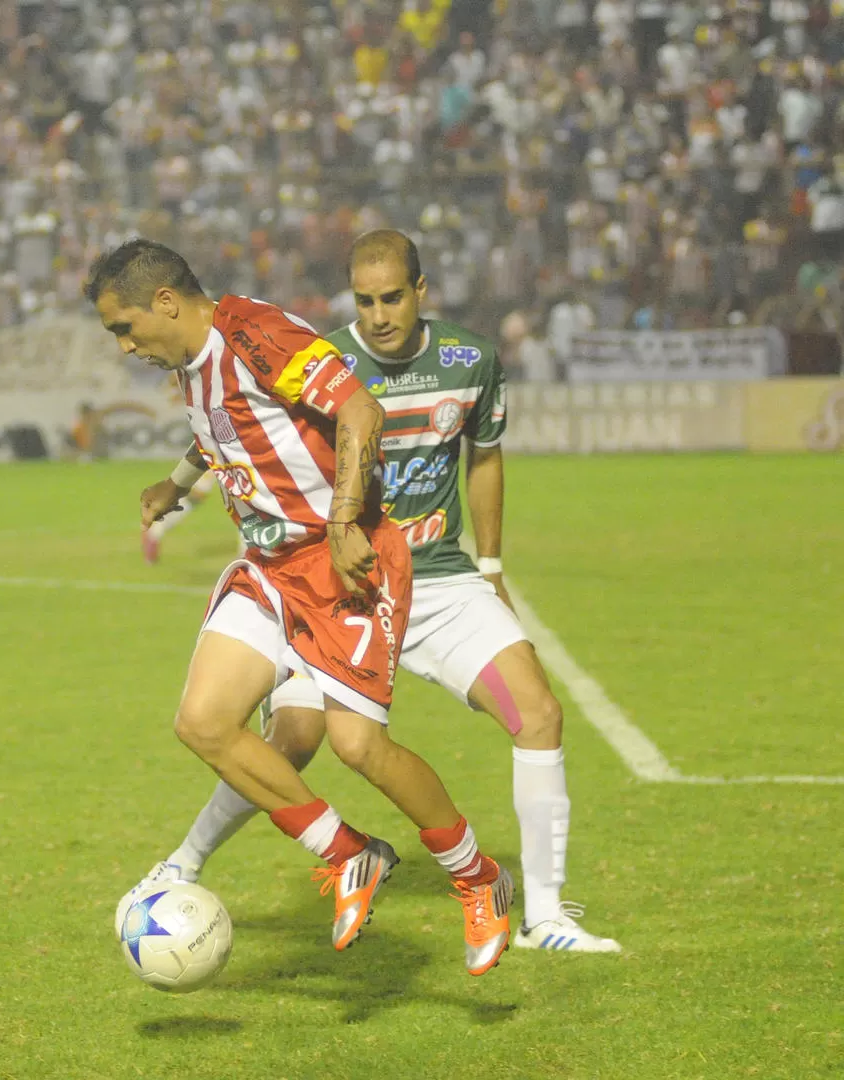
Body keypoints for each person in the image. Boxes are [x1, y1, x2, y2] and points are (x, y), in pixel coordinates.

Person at [160, 230, 621, 952]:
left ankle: (545, 912)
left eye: (392, 297)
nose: (378, 314)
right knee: (293, 738)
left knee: (534, 713)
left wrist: (492, 569)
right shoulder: (320, 356)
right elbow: (232, 423)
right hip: (327, 573)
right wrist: (181, 484)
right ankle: (187, 861)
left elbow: (486, 457)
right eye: (365, 300)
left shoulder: (469, 360)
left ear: (421, 291)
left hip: (426, 574)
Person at [85, 238, 513, 976]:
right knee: (203, 722)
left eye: (124, 328)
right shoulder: (187, 361)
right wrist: (178, 483)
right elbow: (226, 430)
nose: (126, 346)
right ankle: (351, 854)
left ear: (163, 302)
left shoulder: (254, 334)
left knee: (358, 748)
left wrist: (346, 520)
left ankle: (480, 879)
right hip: (269, 567)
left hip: (343, 561)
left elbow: (359, 410)